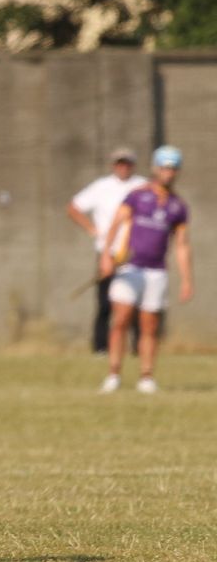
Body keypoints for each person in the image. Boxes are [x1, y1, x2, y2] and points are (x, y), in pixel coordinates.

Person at [98, 145, 192, 394]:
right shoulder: (137, 195)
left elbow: (181, 245)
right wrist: (106, 257)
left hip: (157, 271)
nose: (168, 173)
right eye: (164, 168)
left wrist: (186, 279)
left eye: (172, 169)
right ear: (155, 168)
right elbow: (116, 224)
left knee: (150, 325)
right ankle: (113, 374)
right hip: (130, 267)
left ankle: (146, 376)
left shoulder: (178, 206)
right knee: (120, 320)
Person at [66, 148, 147, 352]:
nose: (123, 167)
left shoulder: (142, 186)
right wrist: (92, 230)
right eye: (119, 163)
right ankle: (101, 347)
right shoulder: (101, 187)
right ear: (113, 165)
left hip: (134, 252)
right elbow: (73, 207)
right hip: (108, 253)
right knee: (105, 303)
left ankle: (139, 347)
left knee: (137, 303)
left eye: (127, 163)